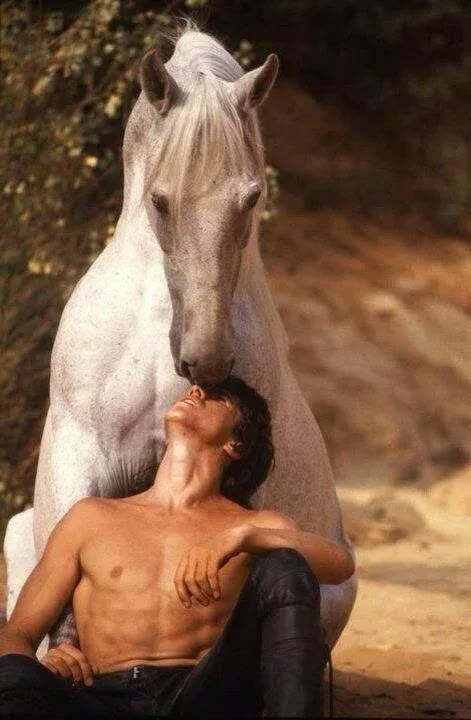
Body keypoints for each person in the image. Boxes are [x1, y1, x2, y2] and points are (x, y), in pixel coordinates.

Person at [0, 375, 354, 719]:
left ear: (236, 444)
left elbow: (339, 564)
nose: (196, 389)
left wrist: (242, 537)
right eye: (196, 388)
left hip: (206, 695)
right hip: (101, 696)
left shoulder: (256, 525)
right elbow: (17, 634)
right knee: (14, 671)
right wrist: (41, 664)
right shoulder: (91, 517)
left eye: (218, 397)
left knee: (285, 566)